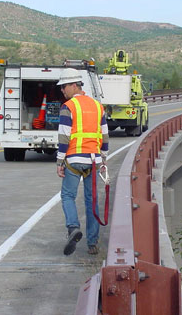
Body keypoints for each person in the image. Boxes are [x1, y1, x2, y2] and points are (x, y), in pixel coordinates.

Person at [56, 68, 109, 256]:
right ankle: (92, 243)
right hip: (93, 160)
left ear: (73, 85)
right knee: (91, 200)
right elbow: (104, 135)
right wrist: (104, 159)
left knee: (68, 196)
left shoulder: (68, 107)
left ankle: (73, 228)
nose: (62, 90)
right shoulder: (97, 106)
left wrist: (59, 162)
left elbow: (64, 137)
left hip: (74, 159)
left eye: (63, 87)